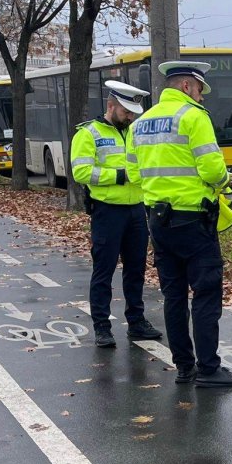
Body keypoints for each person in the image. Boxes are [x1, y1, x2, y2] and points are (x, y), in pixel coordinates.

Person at [127, 60, 232, 389]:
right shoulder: (193, 117)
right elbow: (211, 170)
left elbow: (135, 175)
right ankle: (209, 368)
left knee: (174, 296)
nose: (202, 97)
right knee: (206, 294)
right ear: (185, 86)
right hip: (194, 221)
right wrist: (227, 179)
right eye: (199, 89)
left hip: (158, 221)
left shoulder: (140, 123)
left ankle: (184, 367)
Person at [70, 80, 163, 349]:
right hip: (107, 212)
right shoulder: (88, 134)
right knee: (104, 270)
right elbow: (82, 173)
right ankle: (102, 327)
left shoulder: (134, 131)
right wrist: (120, 176)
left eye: (133, 113)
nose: (130, 117)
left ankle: (136, 322)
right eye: (126, 112)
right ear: (111, 106)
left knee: (136, 270)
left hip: (136, 210)